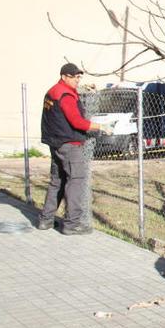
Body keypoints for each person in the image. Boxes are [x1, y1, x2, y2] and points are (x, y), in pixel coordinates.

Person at [38, 62, 112, 235]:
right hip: (69, 144)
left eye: (79, 77)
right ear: (64, 76)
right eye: (74, 77)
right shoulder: (65, 95)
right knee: (76, 181)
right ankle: (72, 224)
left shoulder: (53, 91)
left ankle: (45, 220)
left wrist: (82, 89)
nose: (78, 80)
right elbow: (77, 121)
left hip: (55, 143)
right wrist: (101, 127)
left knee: (57, 181)